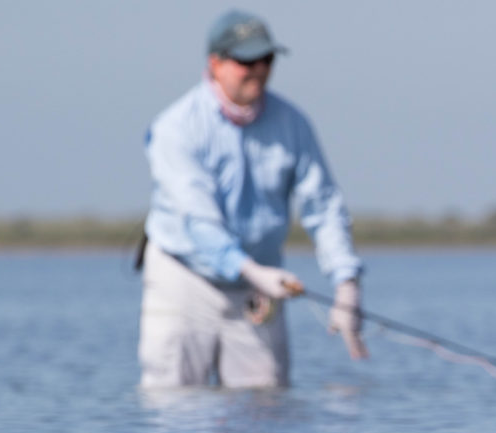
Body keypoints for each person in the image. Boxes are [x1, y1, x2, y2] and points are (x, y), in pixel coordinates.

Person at [138, 9, 368, 389]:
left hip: (258, 287)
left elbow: (323, 206)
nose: (259, 70)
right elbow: (199, 221)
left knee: (265, 410)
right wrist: (253, 271)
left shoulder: (292, 123)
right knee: (172, 406)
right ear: (216, 64)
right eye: (247, 61)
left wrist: (347, 282)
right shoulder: (175, 128)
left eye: (267, 59)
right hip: (184, 277)